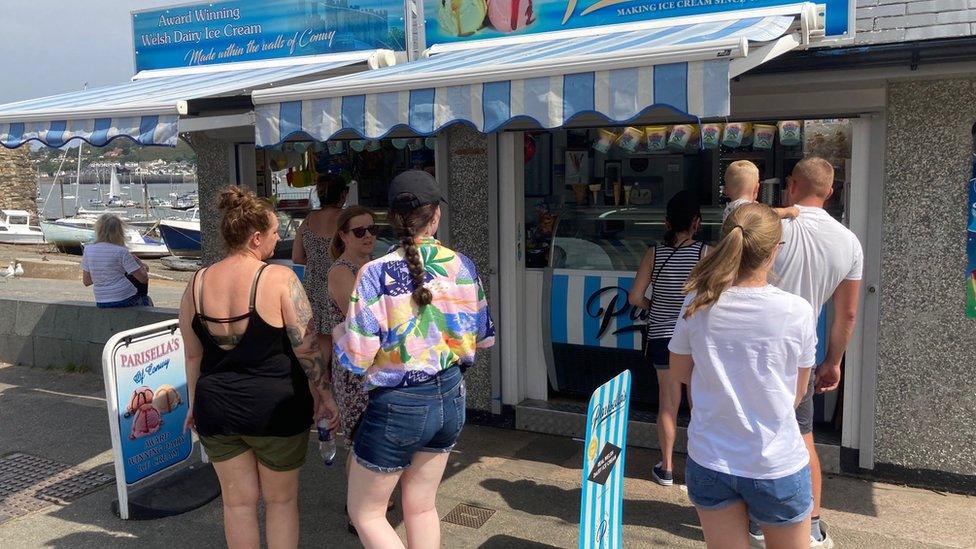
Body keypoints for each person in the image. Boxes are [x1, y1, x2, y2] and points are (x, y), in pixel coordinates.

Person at [333, 170, 495, 549]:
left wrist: (340, 334)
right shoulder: (463, 265)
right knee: (421, 507)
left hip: (398, 405)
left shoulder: (374, 273)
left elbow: (357, 358)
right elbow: (484, 336)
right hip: (451, 398)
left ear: (392, 218)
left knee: (366, 512)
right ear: (435, 214)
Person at [179, 187, 339, 549]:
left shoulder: (195, 284)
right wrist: (324, 396)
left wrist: (193, 404)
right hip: (276, 409)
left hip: (215, 409)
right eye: (272, 232)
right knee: (281, 503)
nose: (277, 238)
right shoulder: (280, 280)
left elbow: (192, 355)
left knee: (237, 505)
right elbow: (308, 349)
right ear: (255, 238)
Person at [670, 203, 817, 549]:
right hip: (776, 462)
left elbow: (679, 372)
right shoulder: (797, 311)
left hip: (710, 457)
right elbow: (797, 395)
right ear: (774, 251)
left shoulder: (697, 301)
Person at [753, 156, 863, 549]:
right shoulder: (849, 241)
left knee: (755, 431)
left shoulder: (774, 226)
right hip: (802, 354)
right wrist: (833, 362)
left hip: (757, 348)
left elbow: (743, 221)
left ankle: (754, 518)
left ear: (790, 186)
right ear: (830, 192)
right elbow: (846, 313)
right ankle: (812, 523)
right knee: (803, 438)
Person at [628, 190, 707, 487]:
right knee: (698, 404)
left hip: (662, 337)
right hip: (694, 337)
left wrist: (656, 307)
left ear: (666, 222)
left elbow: (635, 297)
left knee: (668, 404)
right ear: (696, 223)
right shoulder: (704, 253)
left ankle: (667, 468)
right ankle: (699, 469)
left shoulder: (654, 252)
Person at [325, 205, 382, 534]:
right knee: (360, 439)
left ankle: (372, 501)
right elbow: (362, 318)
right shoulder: (341, 270)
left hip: (379, 364)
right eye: (359, 231)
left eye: (372, 229)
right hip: (354, 368)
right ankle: (355, 510)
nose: (368, 236)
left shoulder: (374, 265)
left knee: (375, 436)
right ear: (344, 236)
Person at [293, 173, 348, 372]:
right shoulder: (345, 220)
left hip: (313, 288)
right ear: (343, 194)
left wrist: (316, 259)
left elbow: (297, 257)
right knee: (342, 341)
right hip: (339, 284)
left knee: (321, 344)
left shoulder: (308, 220)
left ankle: (318, 395)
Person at [81, 214, 152, 308]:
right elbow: (143, 279)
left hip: (101, 300)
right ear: (119, 231)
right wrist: (139, 264)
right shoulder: (121, 251)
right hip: (124, 298)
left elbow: (87, 281)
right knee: (145, 299)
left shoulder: (88, 250)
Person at [723, 160, 800, 221]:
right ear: (757, 188)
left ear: (726, 190)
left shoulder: (728, 209)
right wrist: (787, 211)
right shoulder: (748, 208)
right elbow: (769, 214)